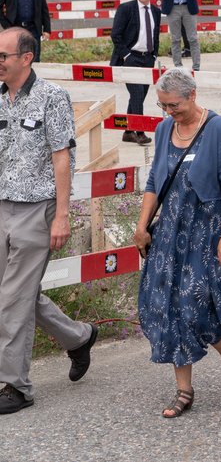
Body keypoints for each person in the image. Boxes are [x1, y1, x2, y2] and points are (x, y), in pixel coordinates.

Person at [129, 68, 221, 417]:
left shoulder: (218, 129)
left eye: (175, 105)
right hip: (170, 232)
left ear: (193, 95)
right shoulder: (162, 129)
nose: (169, 112)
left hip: (207, 232)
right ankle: (184, 390)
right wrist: (142, 227)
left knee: (196, 303)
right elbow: (155, 181)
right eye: (164, 105)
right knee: (168, 306)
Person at [0, 28, 98, 416]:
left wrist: (61, 215)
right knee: (12, 296)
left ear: (26, 58)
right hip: (1, 203)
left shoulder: (52, 98)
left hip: (36, 209)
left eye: (3, 55)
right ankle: (78, 337)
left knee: (13, 299)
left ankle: (16, 386)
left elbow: (63, 158)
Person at [110, 0, 160, 145]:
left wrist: (154, 56)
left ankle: (128, 131)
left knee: (139, 96)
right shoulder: (126, 9)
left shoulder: (155, 11)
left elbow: (156, 35)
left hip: (147, 59)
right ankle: (140, 131)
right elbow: (115, 35)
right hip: (131, 58)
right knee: (137, 95)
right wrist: (126, 56)